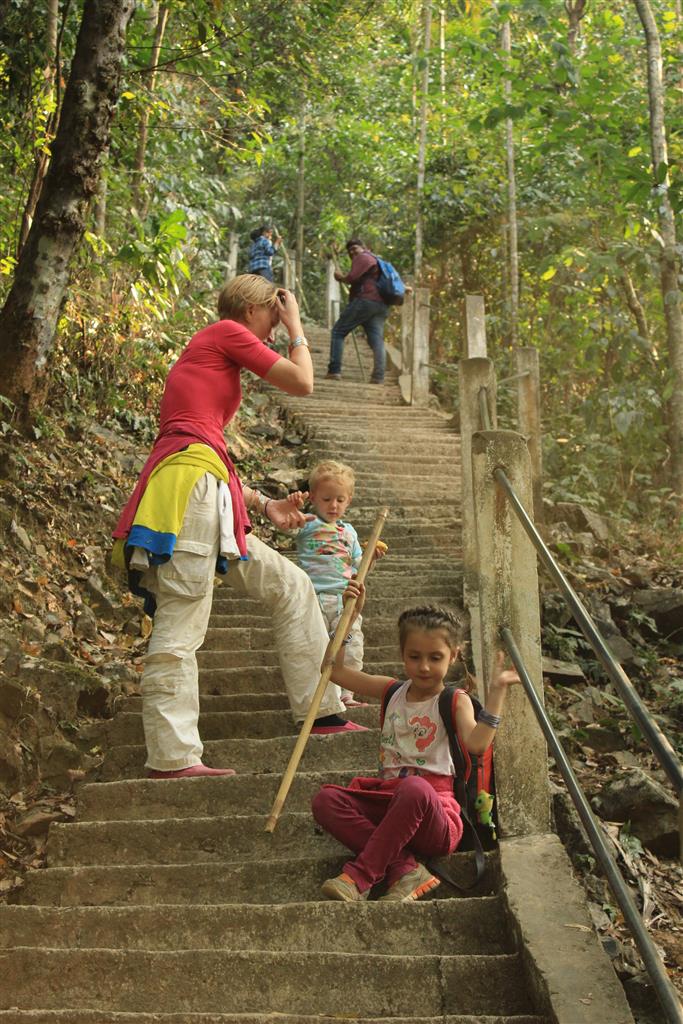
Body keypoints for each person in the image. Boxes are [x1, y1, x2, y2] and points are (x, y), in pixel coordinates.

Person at [112, 275, 365, 781]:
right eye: (272, 314)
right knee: (183, 618)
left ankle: (322, 712)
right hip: (190, 492)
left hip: (211, 489)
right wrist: (297, 327)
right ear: (252, 309)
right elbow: (302, 381)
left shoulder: (214, 351)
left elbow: (207, 447)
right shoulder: (225, 331)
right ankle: (172, 756)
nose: (274, 326)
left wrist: (262, 504)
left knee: (293, 586)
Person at [312, 594, 521, 902]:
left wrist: (497, 692)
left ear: (453, 655)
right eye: (414, 656)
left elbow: (476, 744)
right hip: (391, 801)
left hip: (436, 815)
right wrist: (350, 618)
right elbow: (335, 671)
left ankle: (360, 876)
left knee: (414, 788)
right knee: (326, 800)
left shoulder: (454, 700)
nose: (423, 667)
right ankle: (405, 870)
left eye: (435, 657)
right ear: (402, 654)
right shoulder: (392, 691)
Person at [295, 460, 370, 709]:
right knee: (317, 646)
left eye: (340, 499)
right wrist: (292, 507)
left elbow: (359, 566)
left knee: (349, 644)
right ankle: (323, 695)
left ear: (349, 500)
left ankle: (347, 694)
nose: (333, 505)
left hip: (344, 599)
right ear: (313, 497)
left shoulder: (350, 533)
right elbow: (285, 525)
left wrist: (373, 558)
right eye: (326, 499)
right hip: (313, 597)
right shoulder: (305, 523)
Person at [327, 239, 389, 385]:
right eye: (350, 251)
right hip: (381, 304)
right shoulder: (377, 261)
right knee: (376, 340)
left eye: (355, 248)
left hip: (365, 301)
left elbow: (352, 277)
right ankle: (378, 376)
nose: (352, 252)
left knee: (338, 332)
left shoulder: (363, 257)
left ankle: (334, 370)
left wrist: (340, 277)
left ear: (364, 247)